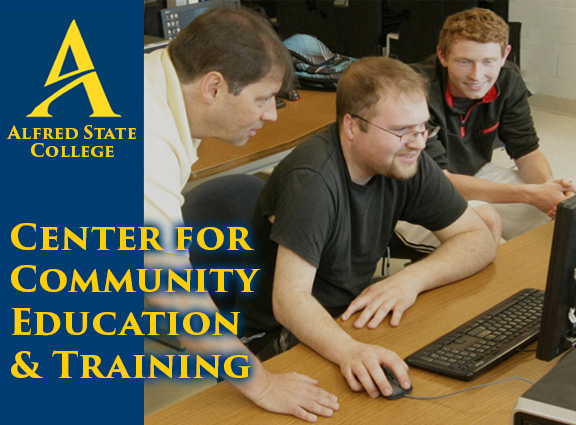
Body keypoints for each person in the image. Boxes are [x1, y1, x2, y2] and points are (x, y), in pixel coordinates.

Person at [237, 56, 497, 399]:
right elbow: (289, 300)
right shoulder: (312, 182)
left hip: (344, 312)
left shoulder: (405, 158)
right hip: (277, 334)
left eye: (423, 127)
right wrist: (349, 350)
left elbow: (477, 237)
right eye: (402, 130)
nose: (418, 142)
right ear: (351, 126)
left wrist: (410, 280)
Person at [144, 7, 339, 422]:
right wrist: (262, 383)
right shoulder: (145, 139)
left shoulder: (158, 82)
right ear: (213, 86)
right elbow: (171, 295)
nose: (270, 114)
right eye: (262, 98)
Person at [397, 8, 575, 250]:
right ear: (442, 55)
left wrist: (549, 191)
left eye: (488, 61)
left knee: (561, 214)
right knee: (482, 231)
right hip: (418, 192)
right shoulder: (413, 90)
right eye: (464, 61)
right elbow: (441, 180)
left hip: (474, 174)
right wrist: (532, 194)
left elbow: (527, 152)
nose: (476, 75)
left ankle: (546, 285)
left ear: (504, 56)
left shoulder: (508, 80)